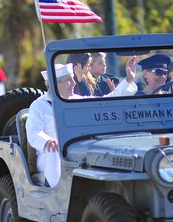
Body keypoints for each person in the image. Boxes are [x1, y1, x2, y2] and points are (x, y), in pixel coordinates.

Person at [26, 57, 138, 187]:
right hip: (49, 156)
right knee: (54, 149)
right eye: (69, 80)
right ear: (55, 84)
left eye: (73, 78)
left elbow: (106, 102)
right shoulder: (38, 105)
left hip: (77, 151)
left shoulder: (76, 100)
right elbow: (34, 133)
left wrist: (128, 79)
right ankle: (58, 192)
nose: (74, 83)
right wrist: (48, 141)